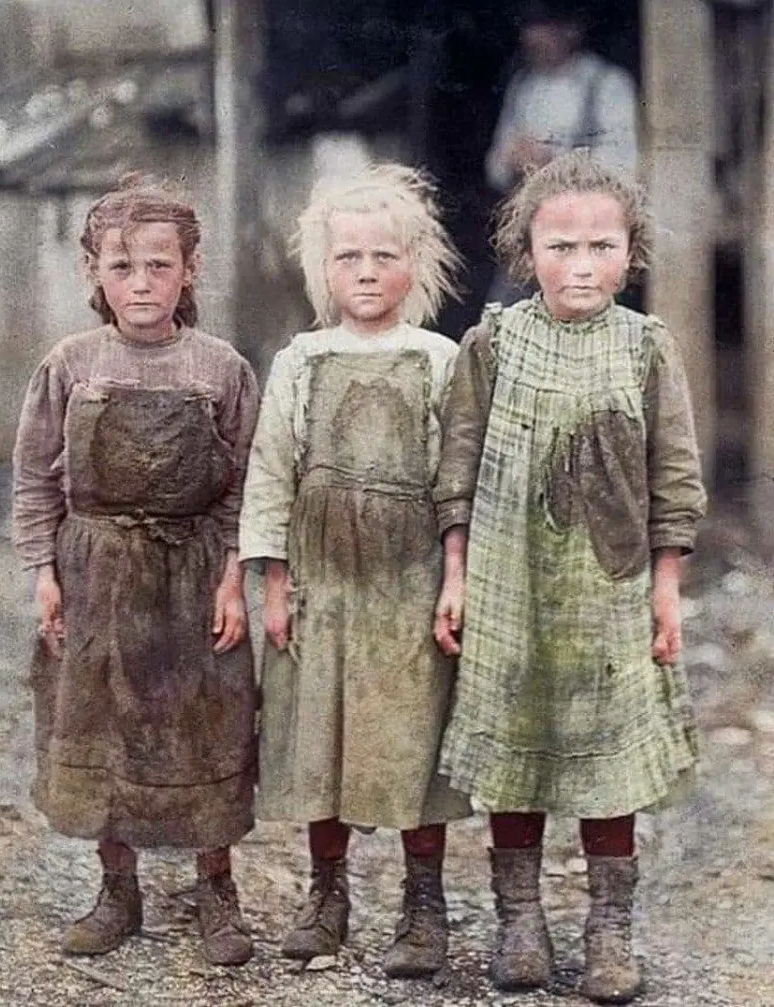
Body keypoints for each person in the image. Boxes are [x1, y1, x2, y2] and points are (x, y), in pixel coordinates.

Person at [433, 152, 706, 1003]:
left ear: (631, 253)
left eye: (600, 247)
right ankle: (520, 919)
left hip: (609, 589)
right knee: (514, 747)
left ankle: (608, 927)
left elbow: (675, 479)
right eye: (560, 247)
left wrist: (665, 588)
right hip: (509, 581)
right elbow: (456, 468)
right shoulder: (493, 344)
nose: (580, 266)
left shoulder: (647, 348)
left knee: (606, 756)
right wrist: (456, 573)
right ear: (527, 253)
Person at [12, 175, 260, 966]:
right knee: (101, 722)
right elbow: (34, 478)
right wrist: (44, 572)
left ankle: (216, 888)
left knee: (206, 723)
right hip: (97, 572)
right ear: (94, 272)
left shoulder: (221, 368)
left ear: (190, 269)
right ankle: (117, 888)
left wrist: (233, 578)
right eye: (122, 267)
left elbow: (246, 486)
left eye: (160, 265)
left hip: (193, 573)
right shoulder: (70, 363)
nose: (142, 283)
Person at [238, 163, 471, 978]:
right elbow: (271, 472)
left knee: (411, 738)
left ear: (417, 264)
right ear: (322, 268)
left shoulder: (440, 359)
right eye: (348, 257)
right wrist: (273, 584)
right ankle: (326, 894)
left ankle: (424, 902)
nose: (366, 272)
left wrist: (454, 576)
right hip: (322, 586)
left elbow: (457, 479)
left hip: (408, 587)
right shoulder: (301, 360)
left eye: (384, 255)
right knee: (321, 737)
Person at [484, 0, 638, 306]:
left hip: (588, 235)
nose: (532, 37)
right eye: (528, 27)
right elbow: (494, 169)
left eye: (543, 26)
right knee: (507, 319)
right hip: (531, 235)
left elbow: (624, 166)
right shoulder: (524, 86)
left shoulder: (607, 85)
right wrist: (511, 157)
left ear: (572, 30)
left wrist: (551, 161)